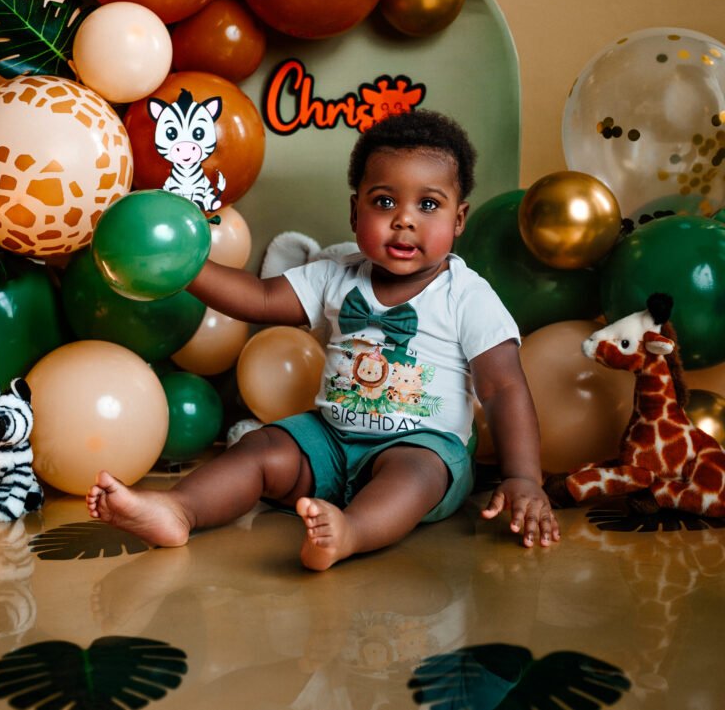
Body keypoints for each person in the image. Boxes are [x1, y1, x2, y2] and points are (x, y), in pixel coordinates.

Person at [87, 109, 559, 570]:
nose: (404, 220)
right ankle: (179, 510)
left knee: (412, 475)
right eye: (384, 201)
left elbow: (503, 389)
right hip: (330, 441)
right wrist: (187, 266)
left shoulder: (467, 295)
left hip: (423, 448)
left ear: (459, 219)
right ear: (356, 210)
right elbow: (261, 298)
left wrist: (522, 478)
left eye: (429, 205)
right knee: (261, 448)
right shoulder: (338, 274)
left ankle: (350, 532)